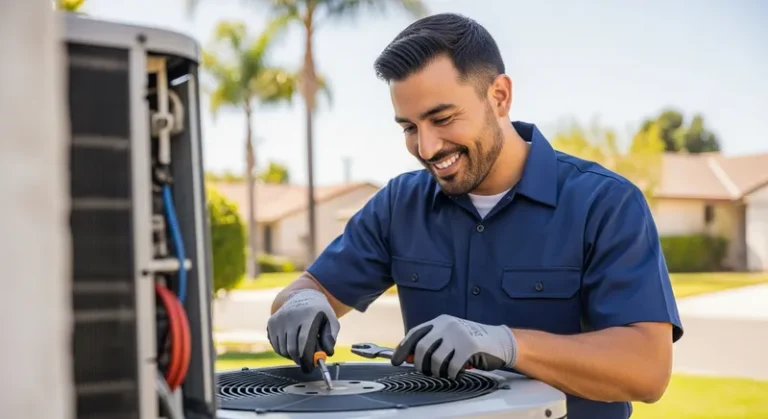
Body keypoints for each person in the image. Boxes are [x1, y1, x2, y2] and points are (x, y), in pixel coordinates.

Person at [266, 12, 683, 419]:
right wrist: (302, 302)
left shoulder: (605, 204)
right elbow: (308, 289)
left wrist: (507, 344)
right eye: (409, 127)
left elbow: (646, 370)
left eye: (442, 118)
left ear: (499, 96)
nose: (426, 148)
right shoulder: (399, 205)